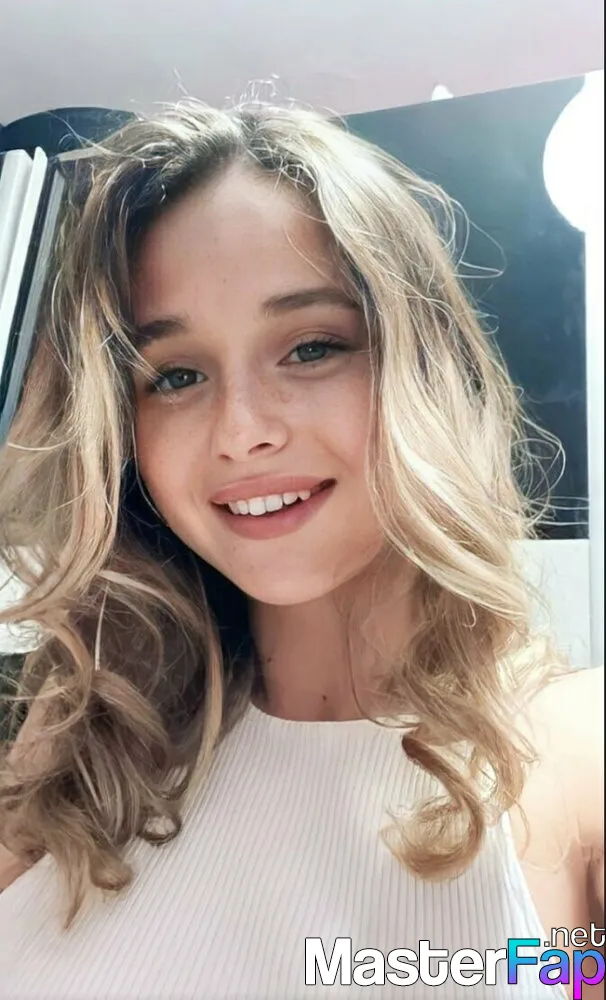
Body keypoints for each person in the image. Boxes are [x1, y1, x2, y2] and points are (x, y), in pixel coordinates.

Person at [0, 99, 602, 999]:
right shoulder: (85, 740)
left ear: (428, 368)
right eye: (176, 375)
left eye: (313, 348)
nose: (241, 430)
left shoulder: (580, 750)